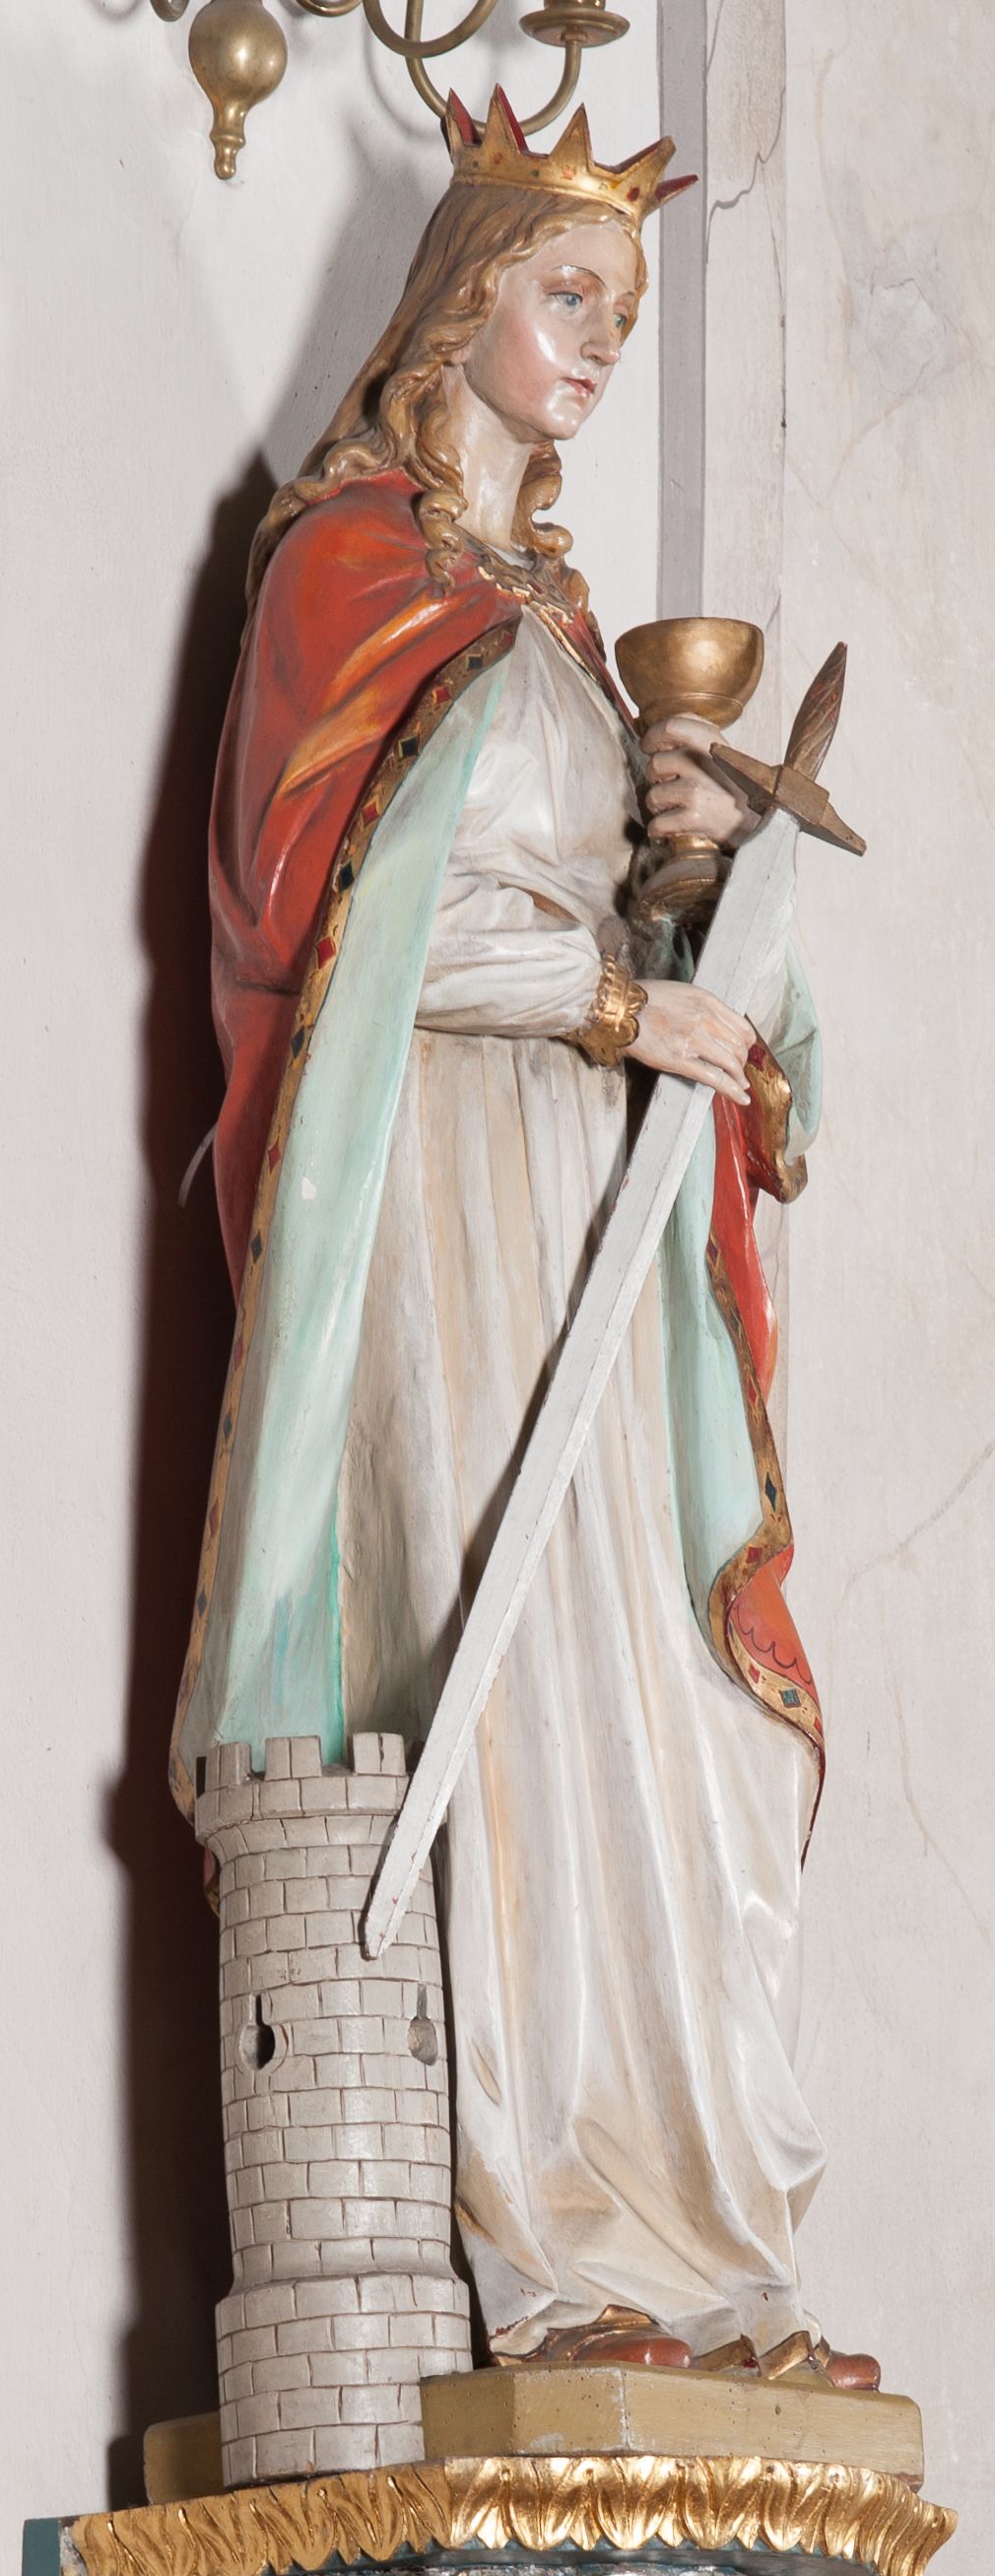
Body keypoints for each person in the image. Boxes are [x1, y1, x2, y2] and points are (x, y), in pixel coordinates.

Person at [171, 90, 876, 2386]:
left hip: (589, 1202)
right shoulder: (338, 576)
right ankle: (549, 2252)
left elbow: (651, 957)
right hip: (437, 1201)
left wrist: (693, 870)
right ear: (462, 295)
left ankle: (696, 2253)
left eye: (622, 315)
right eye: (566, 294)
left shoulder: (564, 630)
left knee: (656, 1691)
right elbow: (316, 937)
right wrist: (598, 991)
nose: (592, 341)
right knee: (510, 1681)